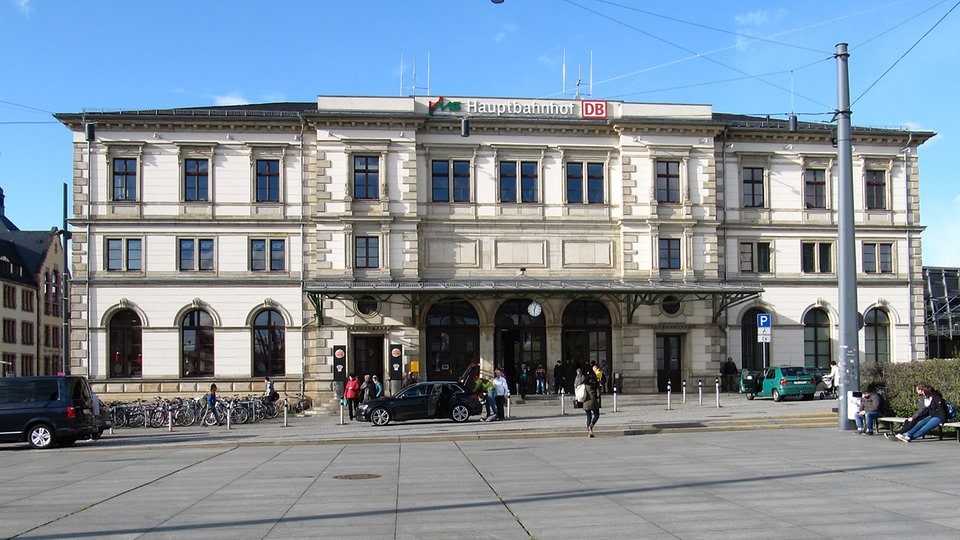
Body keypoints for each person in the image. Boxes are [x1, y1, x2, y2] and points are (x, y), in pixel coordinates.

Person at [581, 368, 600, 437]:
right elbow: (598, 394)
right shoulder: (595, 383)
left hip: (586, 401)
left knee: (588, 416)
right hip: (593, 401)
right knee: (597, 415)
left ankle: (589, 431)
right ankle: (591, 425)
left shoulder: (585, 384)